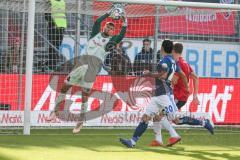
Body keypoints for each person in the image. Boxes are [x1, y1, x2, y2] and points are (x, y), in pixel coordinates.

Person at [47, 6, 127, 134]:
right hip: (80, 66)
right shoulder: (95, 34)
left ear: (113, 32)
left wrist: (124, 21)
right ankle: (55, 111)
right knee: (65, 87)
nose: (110, 29)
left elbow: (122, 35)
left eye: (112, 28)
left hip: (91, 70)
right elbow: (97, 22)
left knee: (84, 95)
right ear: (104, 27)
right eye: (108, 26)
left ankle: (81, 119)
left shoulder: (110, 42)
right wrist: (108, 13)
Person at [119, 39, 190, 148]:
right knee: (146, 117)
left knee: (176, 119)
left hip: (164, 94)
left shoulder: (165, 61)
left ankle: (202, 122)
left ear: (162, 48)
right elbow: (178, 74)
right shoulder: (172, 61)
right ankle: (132, 142)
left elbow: (163, 75)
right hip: (157, 94)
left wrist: (149, 74)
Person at [150, 42, 214, 147]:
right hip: (179, 96)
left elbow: (173, 81)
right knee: (173, 119)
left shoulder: (179, 64)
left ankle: (165, 138)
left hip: (179, 96)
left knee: (163, 116)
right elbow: (195, 77)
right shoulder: (183, 62)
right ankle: (203, 123)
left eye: (171, 51)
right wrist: (195, 95)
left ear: (173, 51)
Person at [45, 0, 67, 70]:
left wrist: (52, 23)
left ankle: (52, 65)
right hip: (62, 26)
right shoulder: (63, 2)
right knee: (56, 46)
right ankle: (54, 64)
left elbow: (47, 15)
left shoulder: (50, 2)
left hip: (54, 26)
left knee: (52, 46)